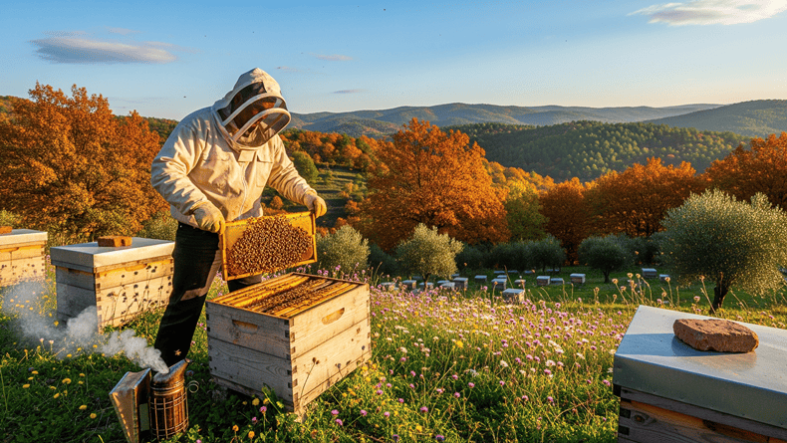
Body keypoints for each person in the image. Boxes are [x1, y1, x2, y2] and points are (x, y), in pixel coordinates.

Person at [150, 68, 326, 367]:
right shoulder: (198, 126)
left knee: (252, 304)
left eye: (266, 113)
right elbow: (165, 168)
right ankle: (165, 371)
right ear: (238, 102)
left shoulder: (268, 138)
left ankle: (250, 368)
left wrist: (307, 194)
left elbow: (283, 173)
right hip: (200, 232)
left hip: (245, 231)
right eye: (255, 110)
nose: (259, 119)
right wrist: (198, 205)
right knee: (186, 304)